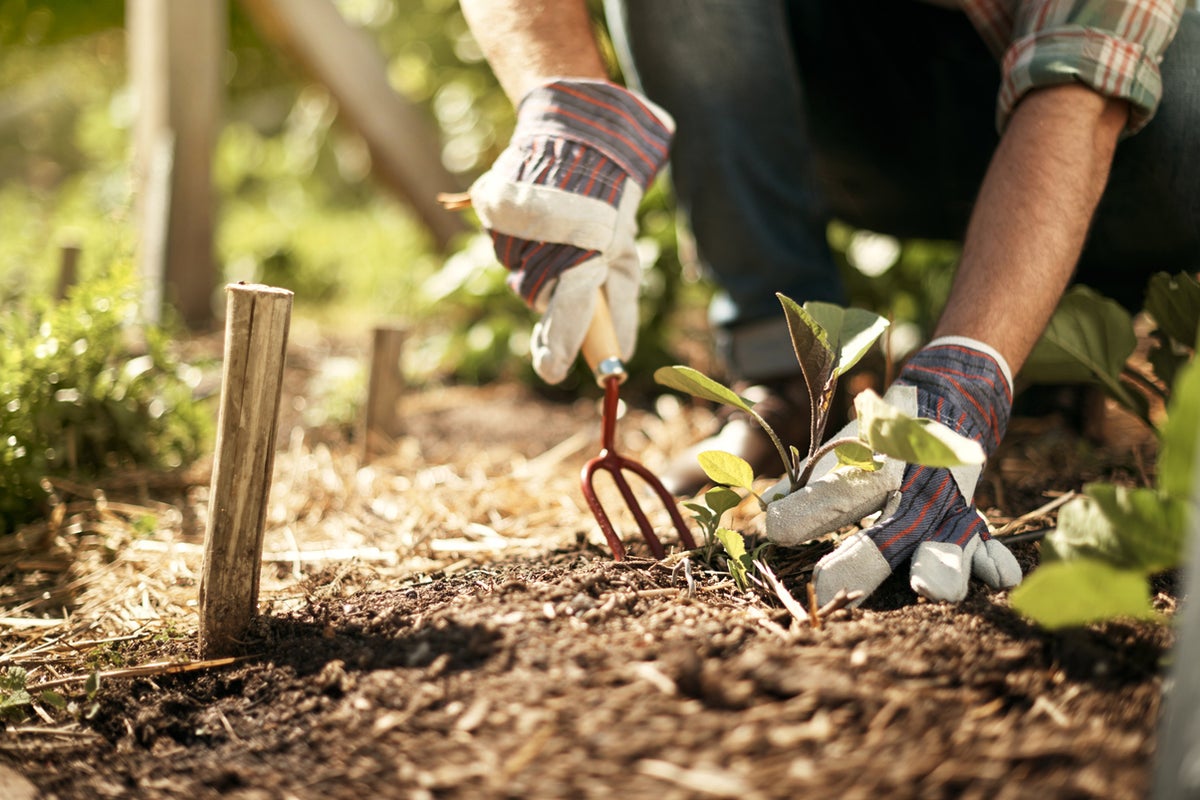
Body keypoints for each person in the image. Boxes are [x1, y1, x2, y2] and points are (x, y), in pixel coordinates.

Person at [456, 0, 1200, 606]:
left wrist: (967, 375)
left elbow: (1081, 93)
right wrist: (564, 102)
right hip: (848, 107)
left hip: (1126, 124)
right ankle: (787, 379)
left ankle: (1061, 333)